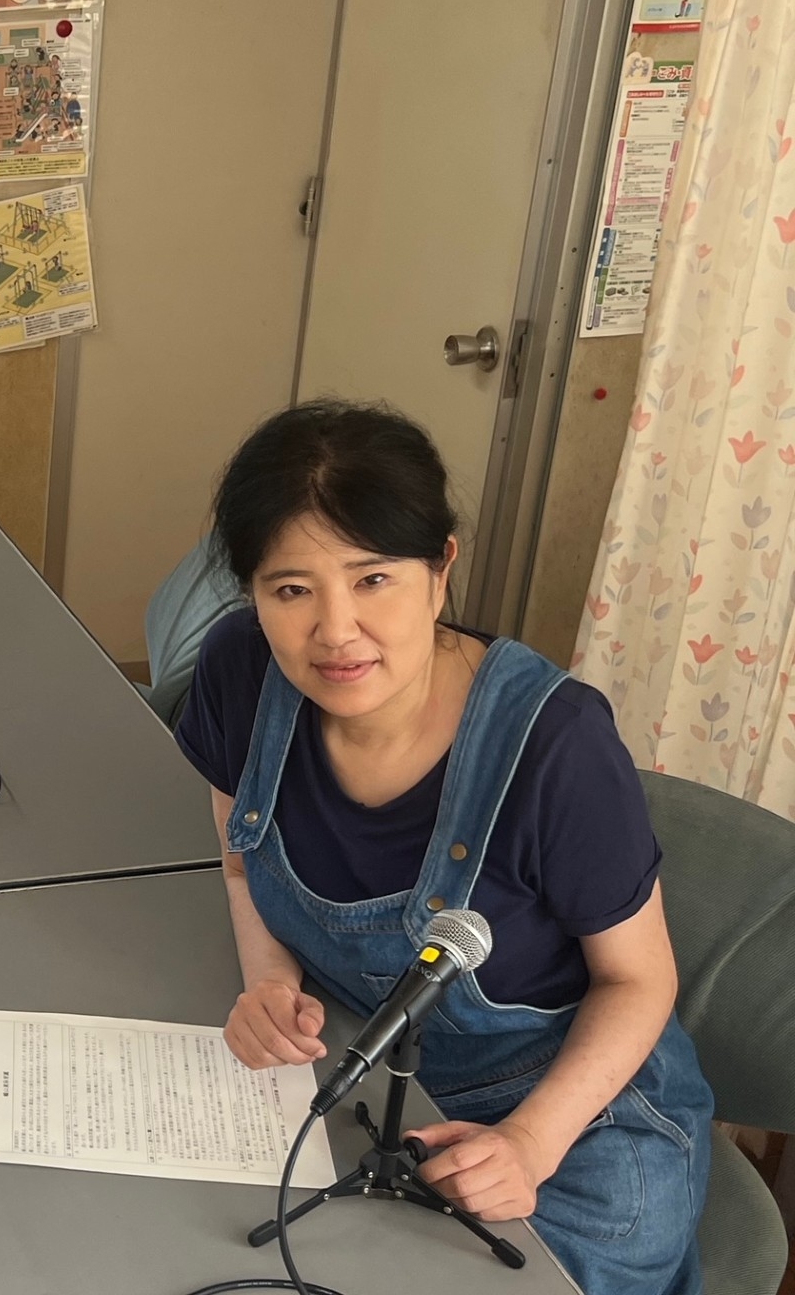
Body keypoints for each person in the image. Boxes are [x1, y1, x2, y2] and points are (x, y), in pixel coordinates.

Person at [174, 401, 712, 1295]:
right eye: (290, 589)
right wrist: (270, 980)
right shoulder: (243, 667)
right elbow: (243, 852)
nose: (335, 630)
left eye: (373, 578)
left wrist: (532, 1142)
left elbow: (640, 979)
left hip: (574, 1116)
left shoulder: (555, 744)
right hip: (363, 1075)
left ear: (440, 568)